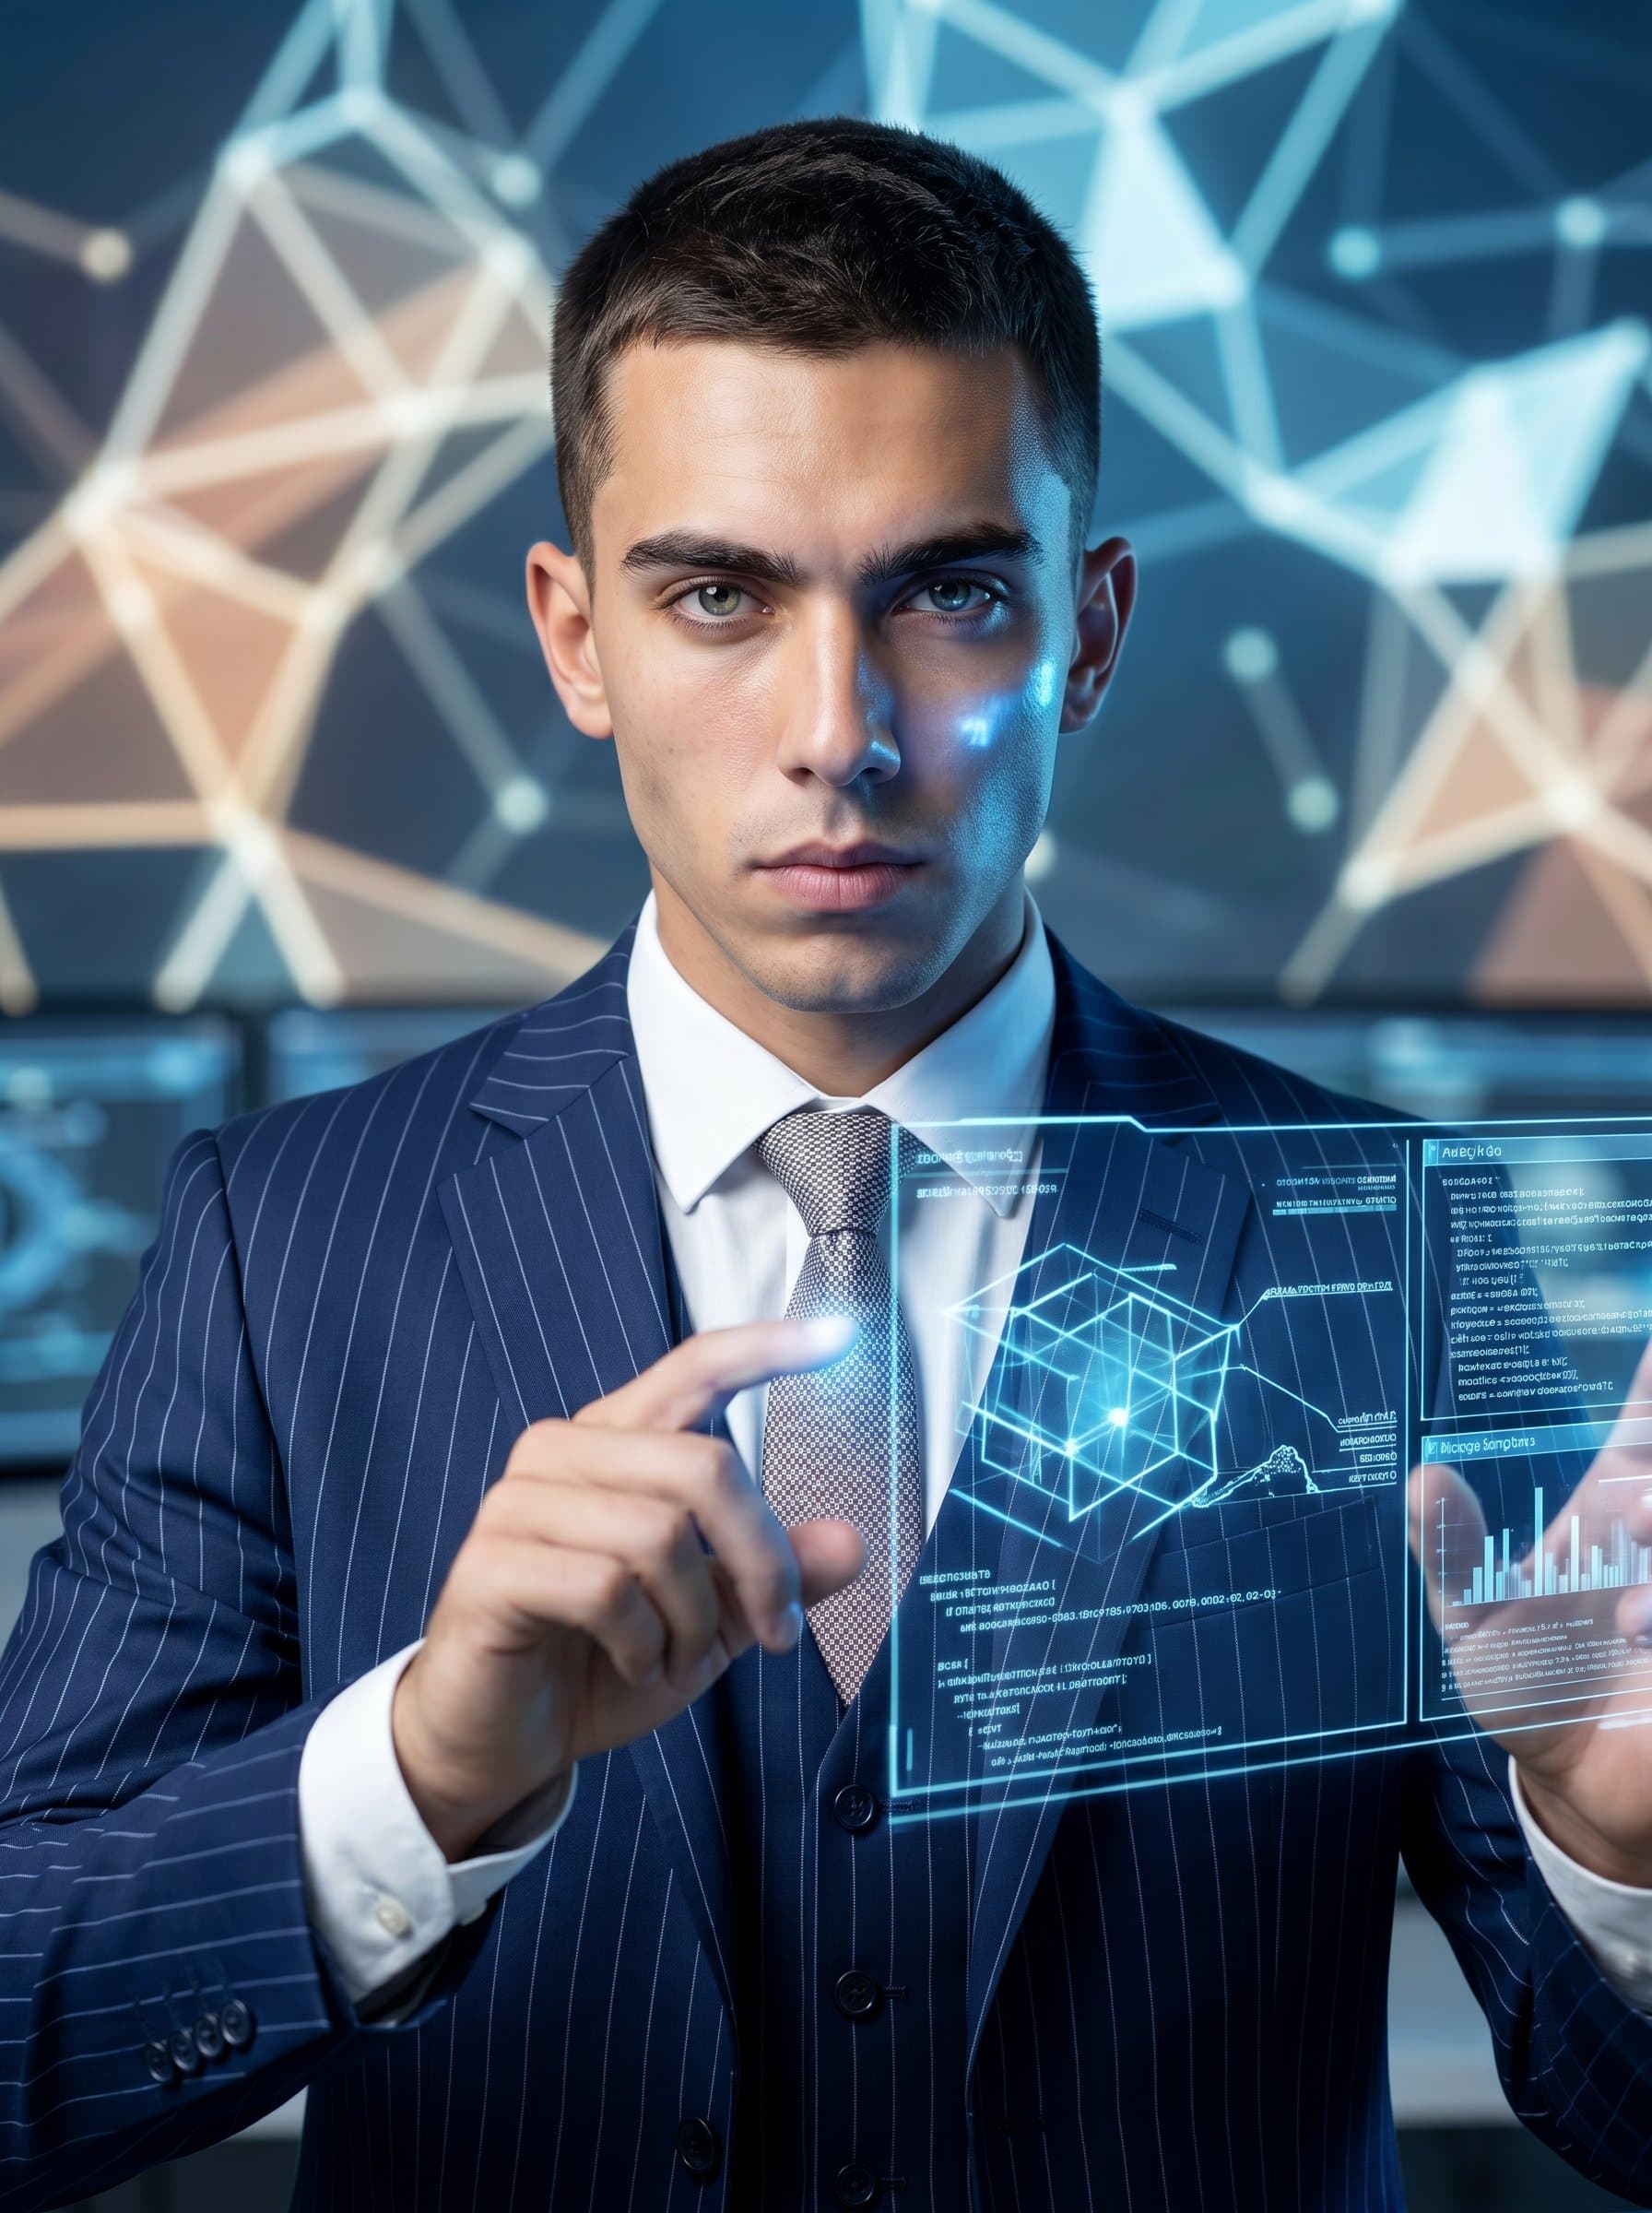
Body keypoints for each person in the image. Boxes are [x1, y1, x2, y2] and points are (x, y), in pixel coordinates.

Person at [4, 114, 1652, 2213]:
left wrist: (1614, 1855)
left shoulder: (1388, 1252)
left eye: (950, 591)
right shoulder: (284, 1239)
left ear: (1088, 625)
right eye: (716, 594)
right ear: (574, 634)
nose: (836, 728)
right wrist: (412, 1776)